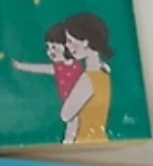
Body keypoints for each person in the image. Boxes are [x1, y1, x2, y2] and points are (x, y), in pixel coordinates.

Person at [12, 23, 85, 144]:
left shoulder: (77, 65)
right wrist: (21, 66)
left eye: (54, 47)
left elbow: (91, 71)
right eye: (48, 47)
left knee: (73, 129)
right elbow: (40, 68)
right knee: (71, 129)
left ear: (67, 46)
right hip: (70, 109)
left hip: (81, 107)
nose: (50, 52)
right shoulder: (58, 68)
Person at [60, 12, 115, 145]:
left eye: (70, 41)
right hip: (99, 139)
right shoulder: (104, 72)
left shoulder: (88, 79)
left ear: (85, 42)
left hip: (83, 141)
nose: (67, 46)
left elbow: (65, 115)